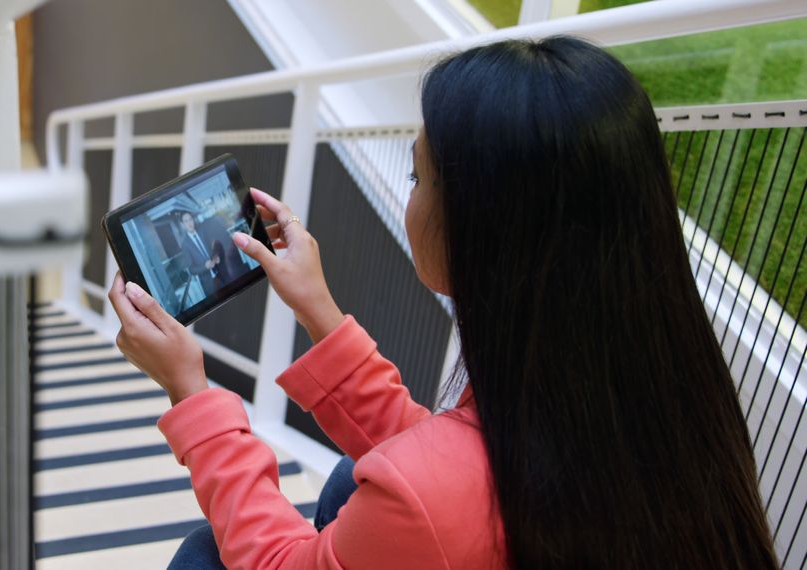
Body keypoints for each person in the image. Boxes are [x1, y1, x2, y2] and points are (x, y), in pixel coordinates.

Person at [108, 36, 778, 569]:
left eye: (417, 174)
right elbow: (439, 472)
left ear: (482, 224)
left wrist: (191, 392)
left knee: (207, 554)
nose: (412, 194)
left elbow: (301, 552)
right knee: (350, 481)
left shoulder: (437, 490)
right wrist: (319, 310)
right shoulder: (652, 385)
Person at [176, 210, 221, 297]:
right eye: (186, 221)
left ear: (193, 220)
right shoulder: (185, 245)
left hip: (220, 273)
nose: (189, 223)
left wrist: (216, 256)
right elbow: (191, 270)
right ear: (183, 225)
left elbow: (212, 248)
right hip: (209, 284)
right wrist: (205, 266)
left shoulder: (202, 233)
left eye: (190, 219)